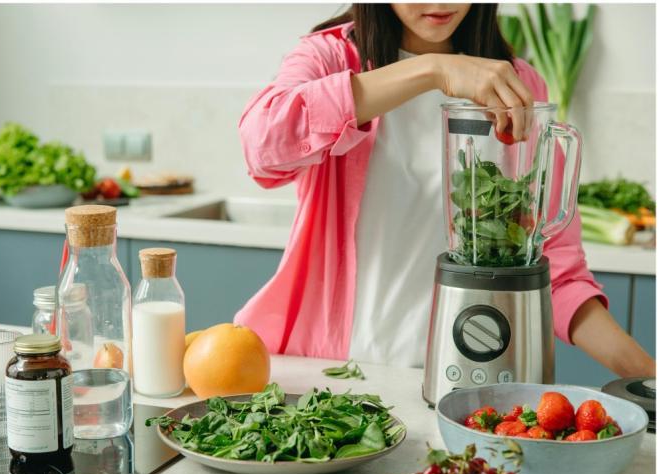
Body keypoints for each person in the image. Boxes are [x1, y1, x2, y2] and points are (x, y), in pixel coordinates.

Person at [235, 3, 655, 377]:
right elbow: (262, 143)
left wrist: (647, 375)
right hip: (334, 373)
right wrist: (434, 70)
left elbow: (555, 270)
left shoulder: (516, 84)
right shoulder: (329, 58)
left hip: (467, 380)